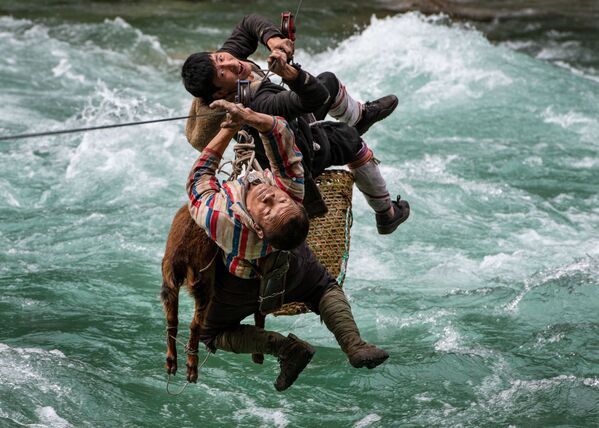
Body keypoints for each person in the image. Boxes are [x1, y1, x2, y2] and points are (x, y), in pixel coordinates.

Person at [186, 99, 389, 391]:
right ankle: (354, 345)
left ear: (256, 226)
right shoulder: (292, 189)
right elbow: (282, 138)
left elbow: (199, 178)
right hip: (294, 268)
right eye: (277, 200)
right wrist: (253, 118)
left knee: (210, 333)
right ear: (294, 201)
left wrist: (229, 128)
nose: (270, 196)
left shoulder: (223, 219)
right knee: (323, 288)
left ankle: (285, 349)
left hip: (239, 286)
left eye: (270, 207)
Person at [182, 14, 409, 234]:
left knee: (328, 81)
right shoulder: (260, 104)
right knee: (349, 139)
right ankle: (386, 214)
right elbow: (314, 98)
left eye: (221, 58)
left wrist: (274, 40)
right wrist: (291, 74)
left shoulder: (230, 67)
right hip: (297, 153)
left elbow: (248, 23)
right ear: (221, 92)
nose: (232, 63)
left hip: (290, 125)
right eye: (223, 73)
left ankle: (360, 116)